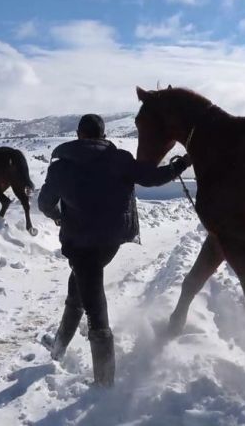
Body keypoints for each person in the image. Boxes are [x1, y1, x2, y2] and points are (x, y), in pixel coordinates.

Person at [38, 114, 191, 386]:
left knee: (95, 311)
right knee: (78, 291)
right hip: (110, 242)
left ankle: (104, 384)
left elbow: (44, 203)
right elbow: (153, 178)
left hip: (81, 245)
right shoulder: (119, 159)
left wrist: (57, 216)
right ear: (103, 134)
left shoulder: (60, 167)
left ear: (78, 134)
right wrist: (181, 164)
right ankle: (58, 348)